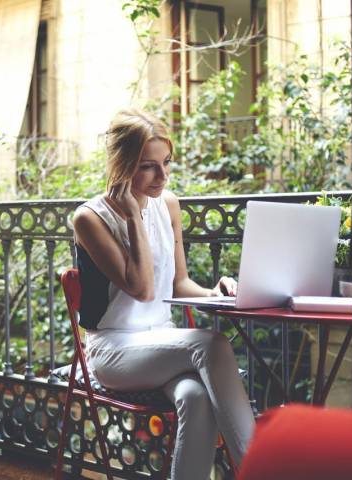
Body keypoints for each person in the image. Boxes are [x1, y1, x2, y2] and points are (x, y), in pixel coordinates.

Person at [72, 108, 255, 479]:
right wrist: (133, 217)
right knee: (213, 344)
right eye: (148, 166)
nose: (163, 175)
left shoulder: (168, 203)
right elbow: (140, 288)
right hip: (114, 349)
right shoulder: (89, 218)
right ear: (122, 166)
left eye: (166, 162)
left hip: (161, 343)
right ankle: (261, 470)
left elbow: (179, 284)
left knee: (195, 397)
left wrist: (215, 292)